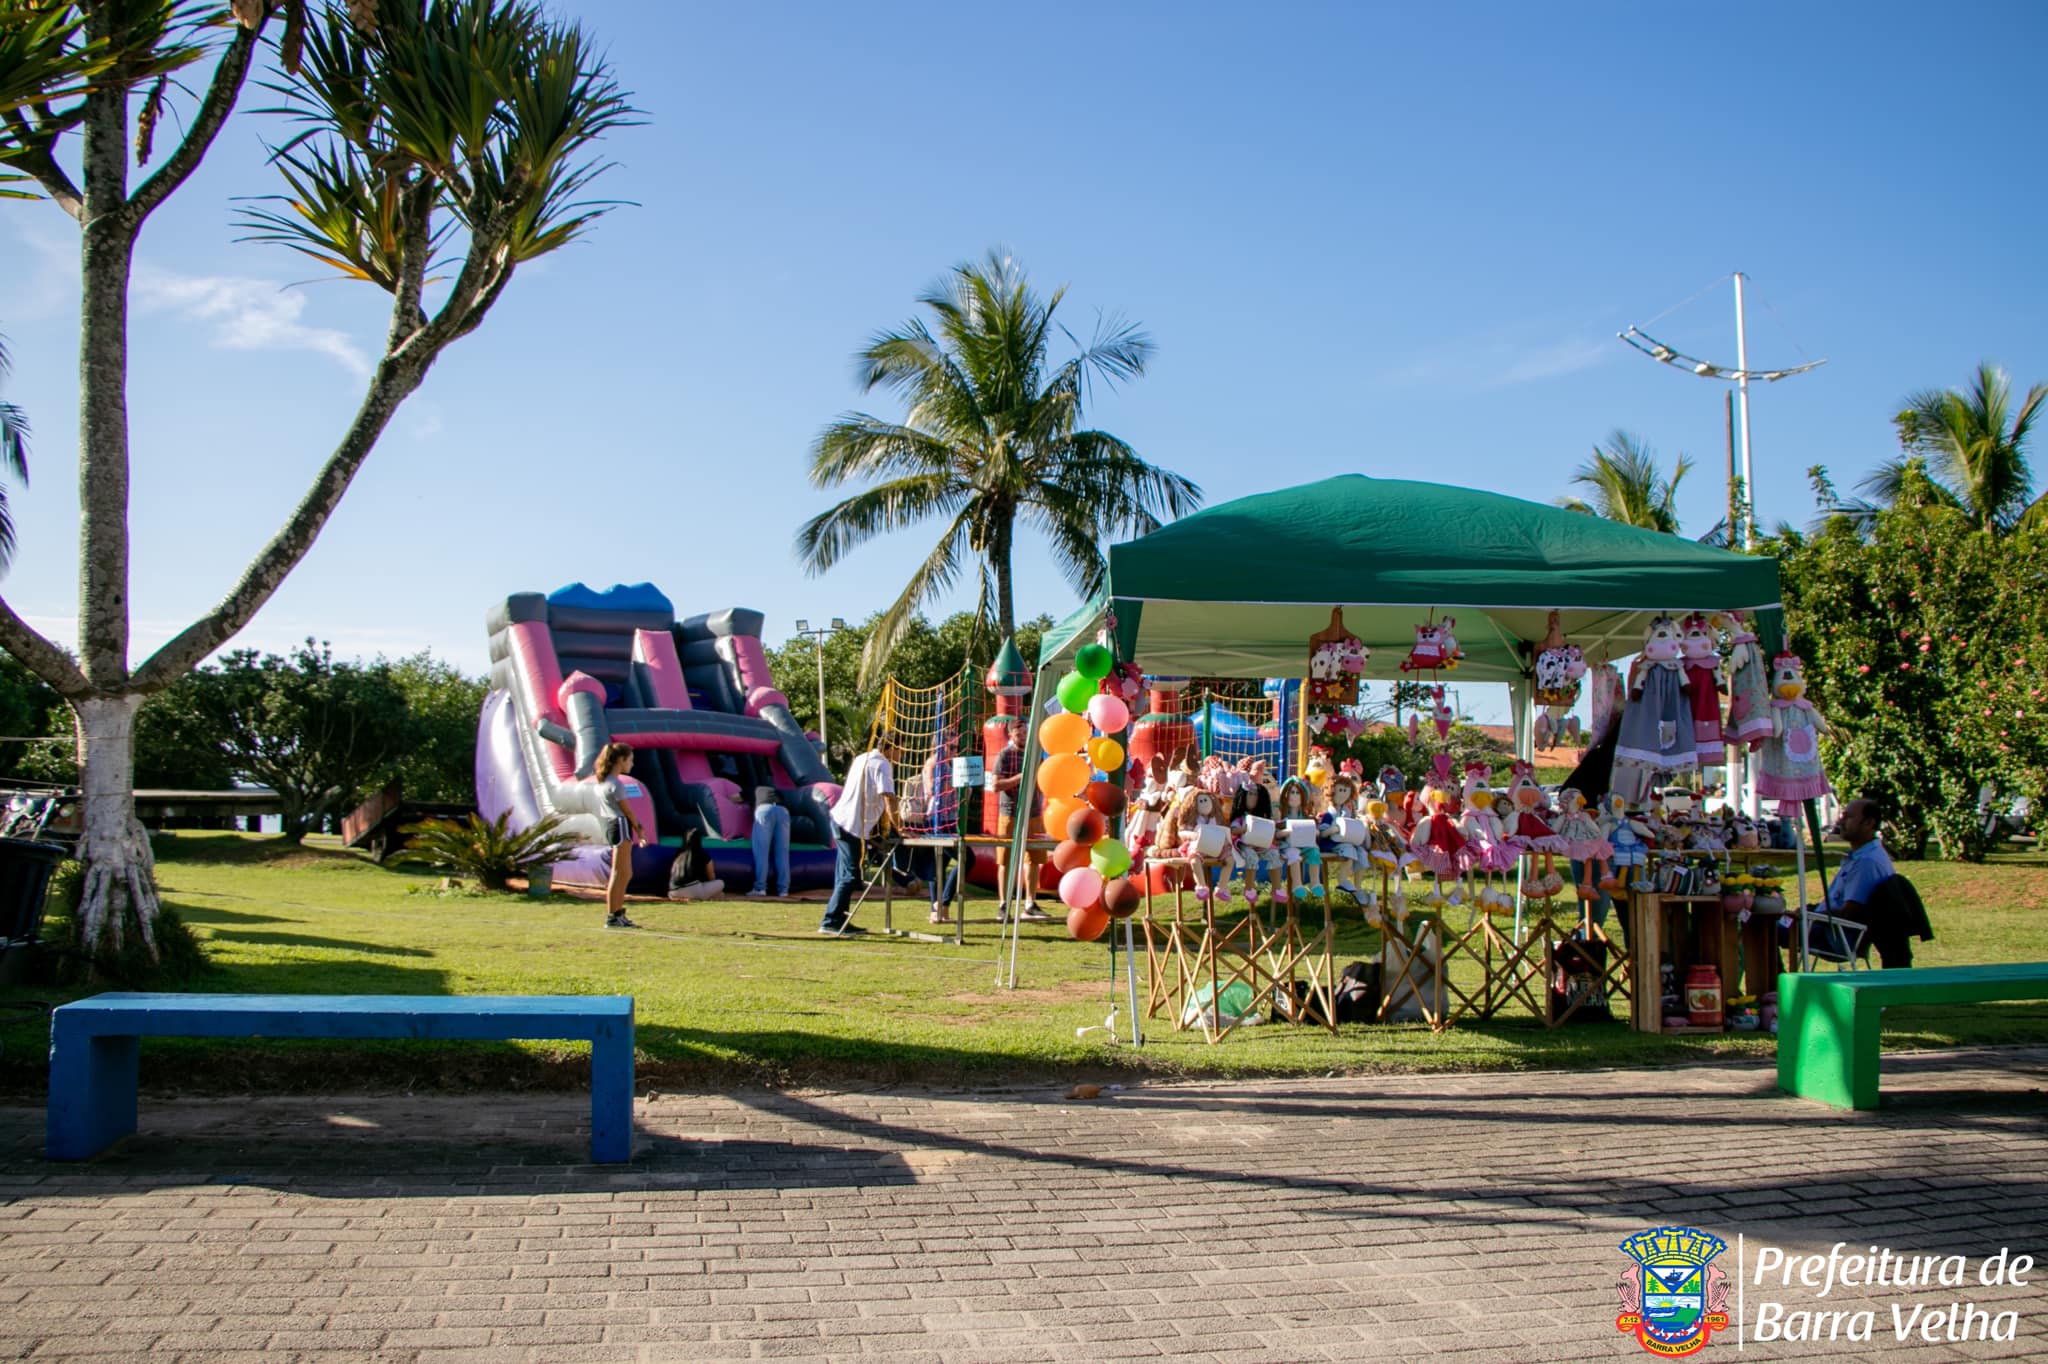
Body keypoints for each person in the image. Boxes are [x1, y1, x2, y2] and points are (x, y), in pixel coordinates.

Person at [1818, 796, 1928, 968]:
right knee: (1770, 925)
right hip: (1826, 925)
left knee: (1766, 929)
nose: (1841, 820)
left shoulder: (1866, 862)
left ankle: (1771, 987)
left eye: (1848, 817)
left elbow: (1850, 912)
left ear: (1868, 823)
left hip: (1834, 935)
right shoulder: (1861, 855)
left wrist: (1811, 915)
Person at [820, 736, 899, 935]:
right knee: (850, 876)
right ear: (891, 748)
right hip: (850, 825)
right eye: (901, 750)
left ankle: (840, 920)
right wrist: (899, 826)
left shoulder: (862, 758)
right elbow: (888, 797)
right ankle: (830, 921)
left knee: (844, 876)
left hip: (841, 819)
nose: (901, 755)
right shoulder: (882, 765)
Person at [990, 716, 1048, 923]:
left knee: (1034, 859)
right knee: (1005, 859)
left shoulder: (1035, 754)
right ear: (1010, 734)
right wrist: (1019, 778)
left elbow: (1043, 780)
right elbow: (995, 785)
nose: (1022, 736)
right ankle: (1003, 904)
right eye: (1019, 733)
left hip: (1033, 812)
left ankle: (1030, 903)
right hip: (1009, 812)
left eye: (1025, 732)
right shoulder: (1004, 755)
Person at [594, 742, 650, 928]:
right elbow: (627, 811)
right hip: (619, 824)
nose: (632, 764)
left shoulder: (603, 782)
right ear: (620, 760)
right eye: (630, 760)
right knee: (620, 873)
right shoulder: (615, 784)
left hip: (611, 825)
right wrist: (639, 829)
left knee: (623, 873)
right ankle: (613, 915)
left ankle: (617, 913)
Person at [747, 785, 791, 897]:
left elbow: (735, 797)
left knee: (761, 852)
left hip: (764, 810)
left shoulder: (755, 789)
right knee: (782, 853)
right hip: (783, 811)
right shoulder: (776, 791)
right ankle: (784, 890)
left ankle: (760, 888)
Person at [667, 825, 726, 901]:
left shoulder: (679, 854)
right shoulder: (702, 854)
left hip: (673, 892)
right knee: (721, 883)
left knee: (704, 887)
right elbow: (711, 876)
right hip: (693, 892)